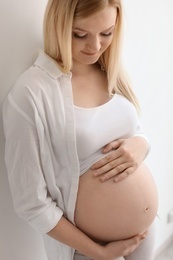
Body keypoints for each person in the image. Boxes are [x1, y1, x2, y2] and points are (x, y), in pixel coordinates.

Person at [2, 0, 158, 259]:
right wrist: (98, 252)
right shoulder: (30, 94)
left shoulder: (108, 69)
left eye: (106, 33)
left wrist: (141, 145)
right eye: (80, 35)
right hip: (89, 250)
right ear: (58, 25)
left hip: (144, 233)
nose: (95, 46)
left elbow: (134, 130)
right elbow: (31, 203)